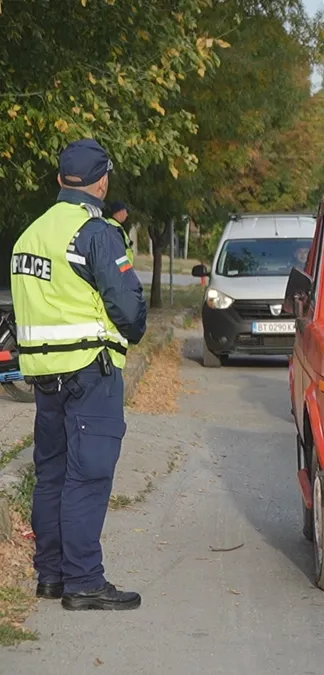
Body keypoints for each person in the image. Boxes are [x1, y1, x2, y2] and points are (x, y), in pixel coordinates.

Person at [10, 138, 148, 609]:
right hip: (91, 371)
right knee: (87, 477)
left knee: (51, 474)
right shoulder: (96, 232)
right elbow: (128, 309)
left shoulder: (30, 235)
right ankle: (84, 581)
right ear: (103, 180)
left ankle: (51, 576)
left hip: (44, 378)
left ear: (59, 180)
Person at [105, 200, 135, 264]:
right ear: (120, 211)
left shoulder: (109, 225)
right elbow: (118, 253)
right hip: (121, 269)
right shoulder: (116, 229)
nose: (127, 215)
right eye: (126, 212)